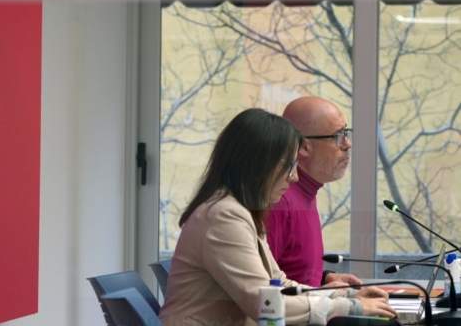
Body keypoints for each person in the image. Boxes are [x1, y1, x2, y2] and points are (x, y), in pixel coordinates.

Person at [159, 108, 395, 325]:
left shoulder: (240, 210)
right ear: (258, 165)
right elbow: (265, 304)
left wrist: (343, 294)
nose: (294, 177)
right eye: (289, 166)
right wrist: (349, 306)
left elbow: (280, 284)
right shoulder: (223, 216)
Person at [266, 96, 360, 287]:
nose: (347, 144)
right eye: (337, 136)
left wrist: (324, 279)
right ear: (304, 147)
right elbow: (264, 286)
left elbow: (292, 269)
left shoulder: (307, 191)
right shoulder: (279, 200)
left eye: (346, 132)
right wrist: (325, 295)